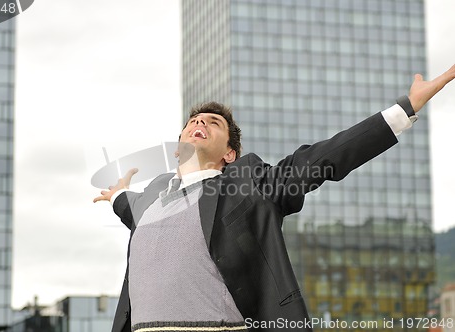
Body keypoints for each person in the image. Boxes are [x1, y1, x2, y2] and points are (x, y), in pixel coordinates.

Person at [94, 65, 455, 332]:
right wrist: (117, 194)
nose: (199, 123)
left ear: (230, 154)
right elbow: (127, 206)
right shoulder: (151, 201)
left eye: (212, 123)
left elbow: (319, 160)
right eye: (192, 121)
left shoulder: (249, 184)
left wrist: (403, 109)